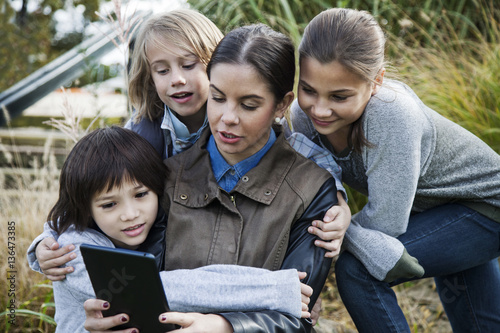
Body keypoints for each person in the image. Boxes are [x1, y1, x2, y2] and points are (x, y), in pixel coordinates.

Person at [82, 23, 338, 332]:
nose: (226, 118)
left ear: (282, 105)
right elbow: (140, 290)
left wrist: (225, 327)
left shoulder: (313, 190)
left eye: (249, 105)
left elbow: (298, 312)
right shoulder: (165, 175)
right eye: (217, 98)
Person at [288, 7, 500, 332]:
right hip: (433, 212)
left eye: (340, 96)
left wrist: (343, 224)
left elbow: (385, 225)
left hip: (484, 208)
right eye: (309, 89)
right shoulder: (302, 119)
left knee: (358, 268)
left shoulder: (391, 114)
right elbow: (307, 200)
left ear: (377, 81)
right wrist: (303, 286)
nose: (320, 108)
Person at [35, 125, 314, 332]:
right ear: (85, 207)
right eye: (109, 205)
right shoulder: (74, 254)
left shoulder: (142, 228)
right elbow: (167, 289)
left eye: (141, 194)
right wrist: (272, 289)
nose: (130, 215)